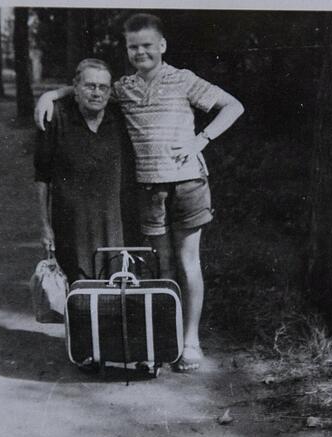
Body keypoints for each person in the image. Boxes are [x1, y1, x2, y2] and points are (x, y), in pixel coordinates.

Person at [35, 13, 244, 372]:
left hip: (188, 183)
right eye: (133, 47)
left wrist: (201, 140)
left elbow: (233, 106)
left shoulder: (183, 80)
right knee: (159, 268)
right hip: (149, 189)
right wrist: (52, 94)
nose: (140, 52)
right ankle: (165, 337)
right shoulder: (124, 87)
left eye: (147, 45)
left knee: (188, 262)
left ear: (161, 46)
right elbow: (89, 88)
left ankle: (190, 340)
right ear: (127, 50)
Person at [35, 58, 132, 284]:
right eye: (90, 86)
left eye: (103, 87)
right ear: (75, 88)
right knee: (76, 296)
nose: (97, 93)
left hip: (114, 227)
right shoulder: (55, 117)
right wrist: (44, 226)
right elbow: (42, 177)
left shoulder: (120, 117)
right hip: (71, 229)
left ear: (109, 92)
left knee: (114, 296)